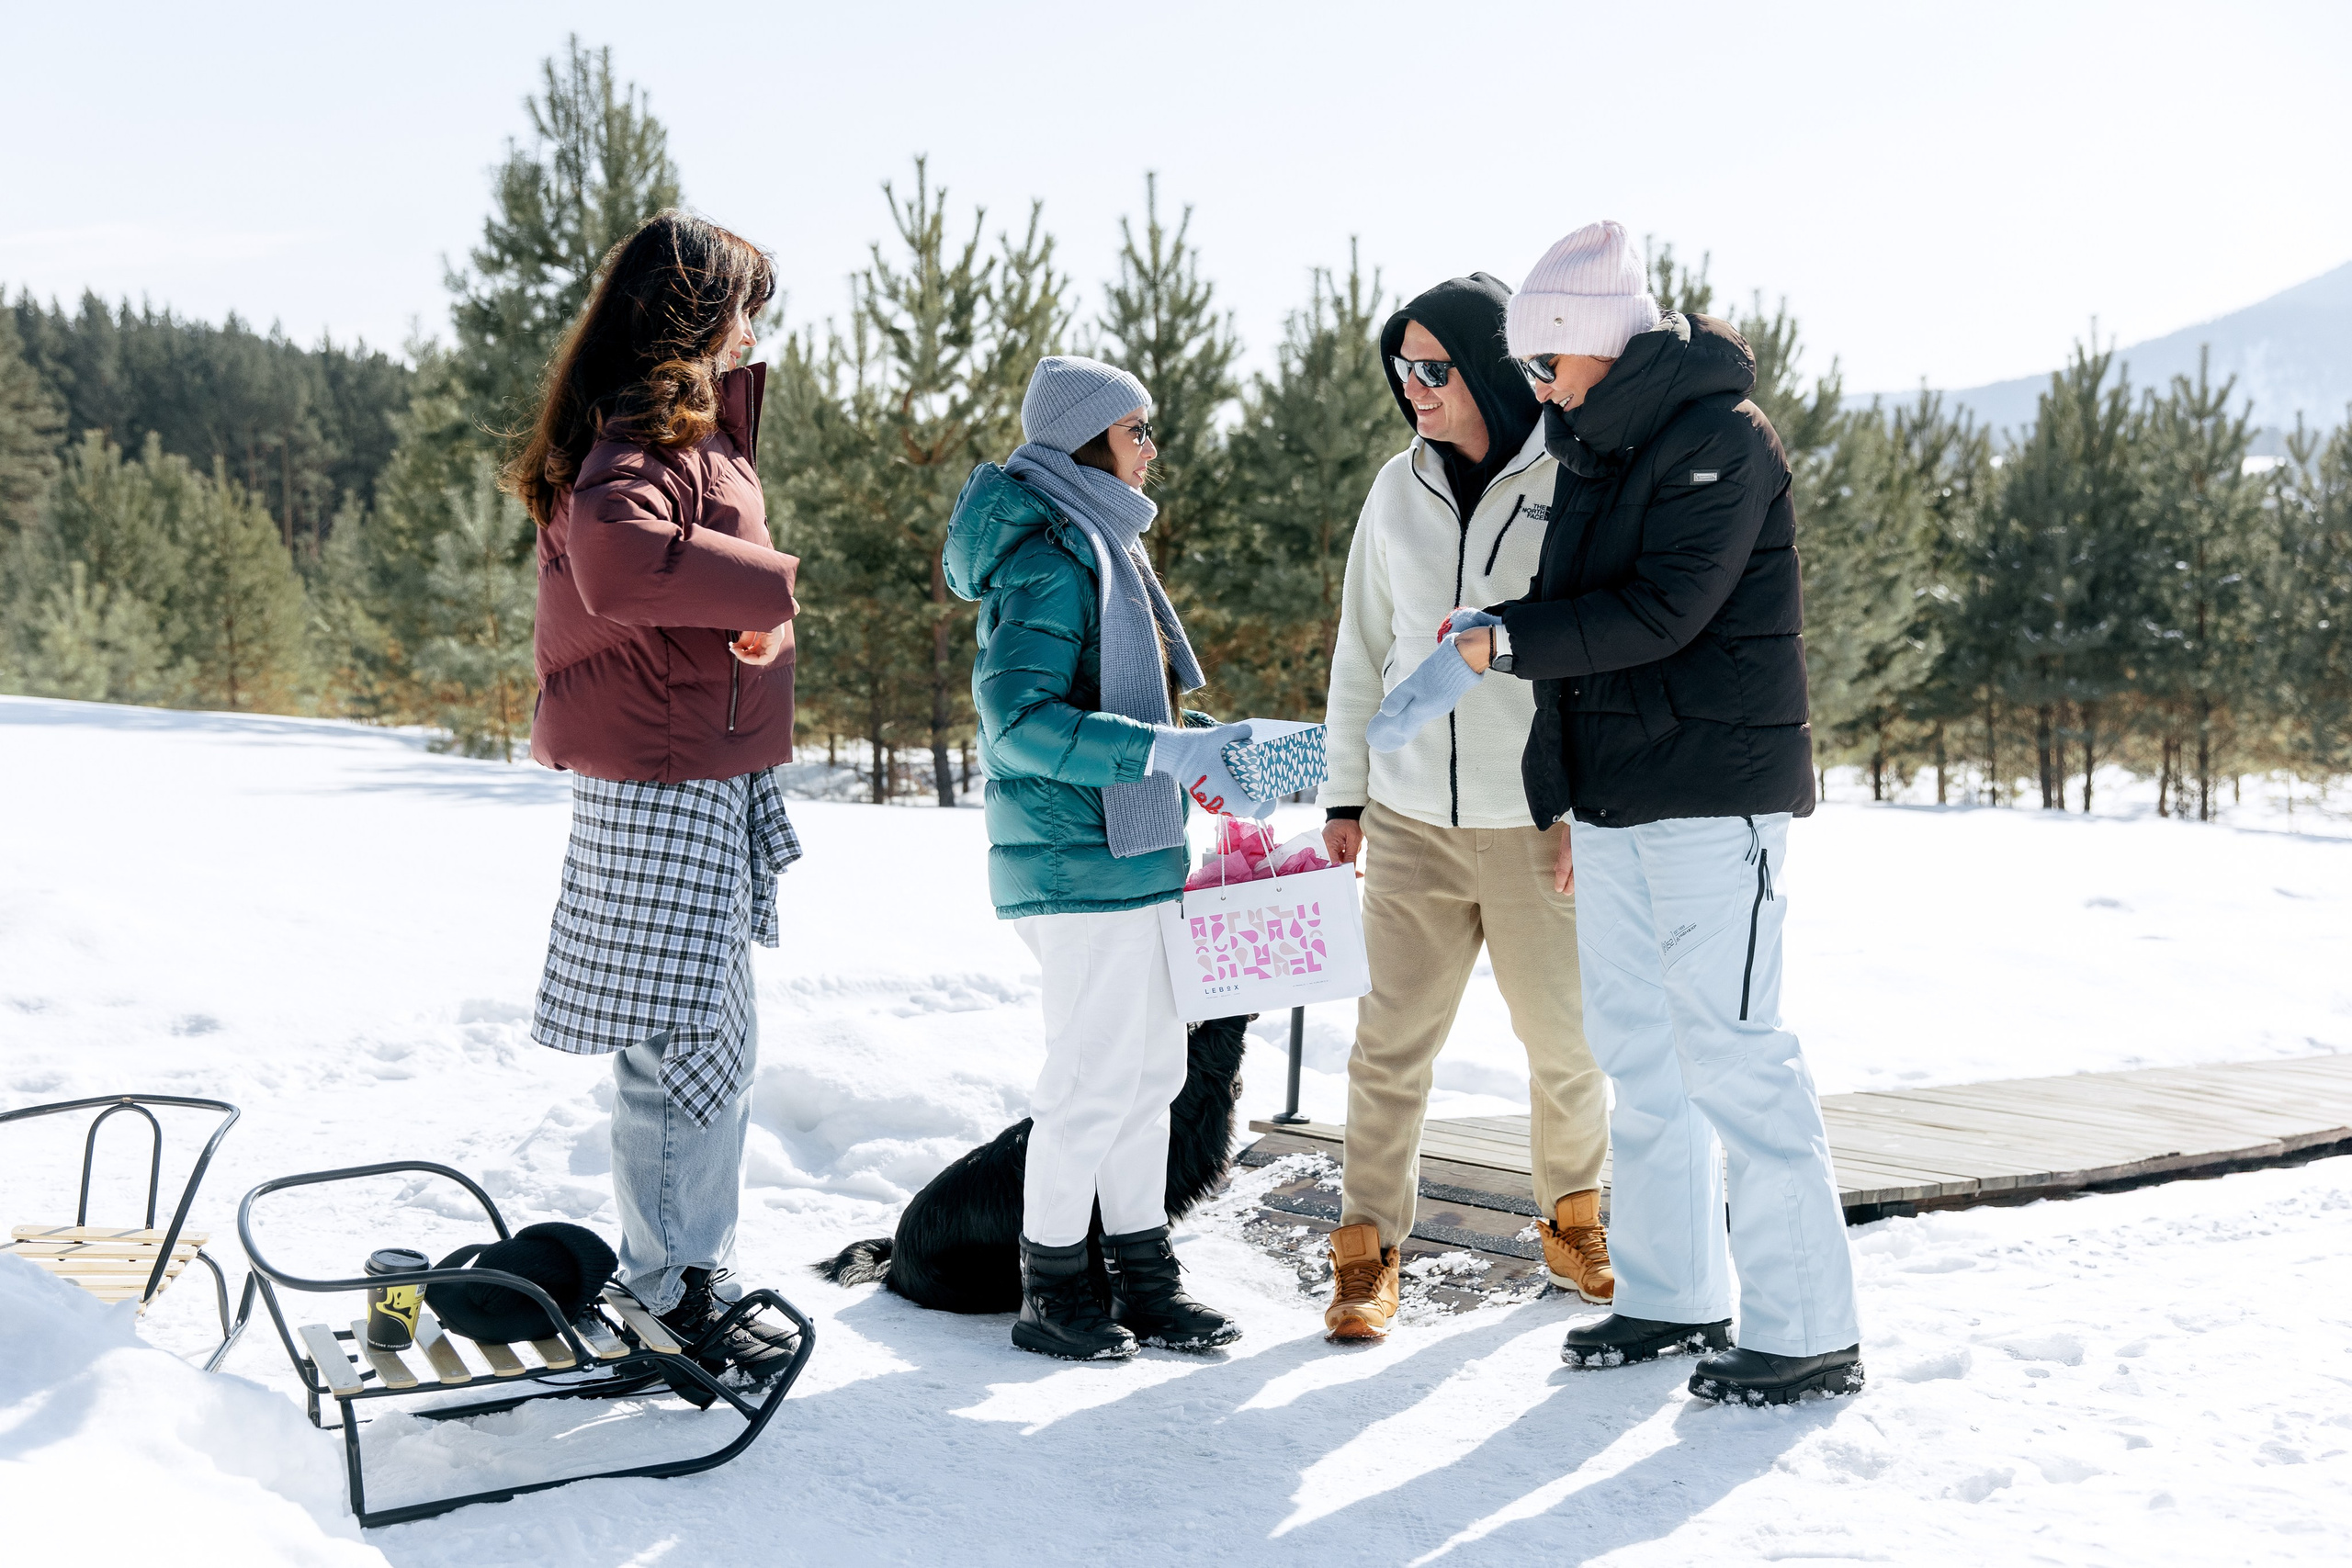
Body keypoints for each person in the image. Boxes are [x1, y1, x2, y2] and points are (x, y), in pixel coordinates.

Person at [1440, 219, 1861, 1404]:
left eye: (1546, 360)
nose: (1536, 385)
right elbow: (1578, 627)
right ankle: (1673, 1295)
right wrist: (1564, 793)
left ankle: (1809, 1327)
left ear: (1599, 341)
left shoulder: (1720, 436)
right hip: (1616, 800)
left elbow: (1664, 609)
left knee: (1735, 1051)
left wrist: (1506, 638)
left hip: (1714, 798)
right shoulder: (1590, 446)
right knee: (1640, 1056)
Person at [519, 209, 804, 1393]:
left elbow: (650, 574)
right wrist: (767, 590)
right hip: (667, 776)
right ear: (695, 312)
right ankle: (671, 1293)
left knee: (700, 1044)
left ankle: (676, 1275)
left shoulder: (676, 426)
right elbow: (620, 558)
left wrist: (742, 621)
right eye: (745, 308)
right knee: (687, 1047)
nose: (756, 331)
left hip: (688, 765)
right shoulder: (645, 429)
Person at [942, 355, 1273, 1360]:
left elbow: (1118, 707)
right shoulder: (1050, 560)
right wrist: (1160, 752)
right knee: (1089, 1083)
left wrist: (1199, 754)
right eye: (1137, 429)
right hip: (1076, 867)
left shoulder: (1104, 547)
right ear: (1086, 438)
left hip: (1136, 858)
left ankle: (1144, 1280)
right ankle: (1051, 1290)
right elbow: (1019, 726)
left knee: (1150, 1076)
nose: (1150, 448)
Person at [1316, 274, 1612, 1343]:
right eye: (1401, 370)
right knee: (1386, 1049)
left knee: (1566, 1047)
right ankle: (1366, 1255)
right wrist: (1346, 794)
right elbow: (1362, 647)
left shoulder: (1569, 478)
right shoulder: (1393, 489)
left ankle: (1573, 1225)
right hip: (1408, 824)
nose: (1414, 388)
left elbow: (1598, 651)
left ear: (1486, 365)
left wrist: (1585, 801)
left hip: (1535, 822)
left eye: (1434, 368)